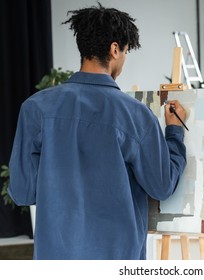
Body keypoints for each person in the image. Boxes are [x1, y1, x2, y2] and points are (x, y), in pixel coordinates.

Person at [7, 3, 187, 260]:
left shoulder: (35, 108)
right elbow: (161, 186)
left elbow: (23, 191)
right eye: (125, 51)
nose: (123, 59)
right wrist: (174, 133)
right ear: (115, 49)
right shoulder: (135, 115)